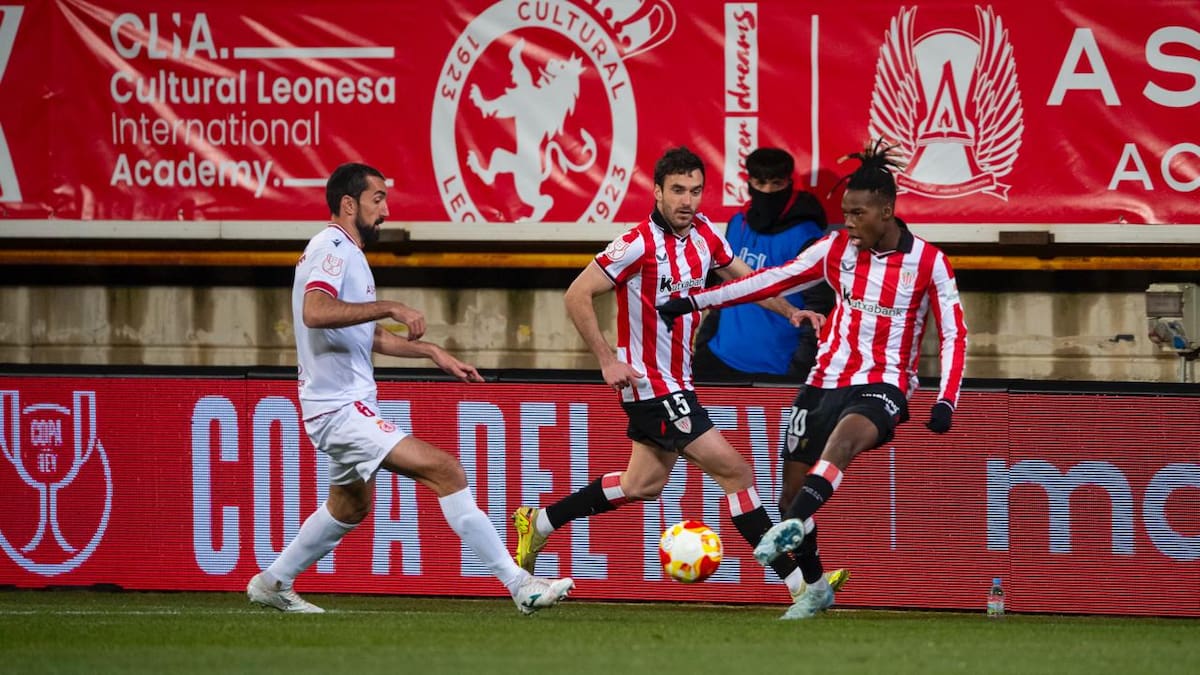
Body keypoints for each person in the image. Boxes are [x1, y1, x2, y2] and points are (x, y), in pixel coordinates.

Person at [510, 147, 842, 617]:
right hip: (649, 384)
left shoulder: (705, 234)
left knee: (642, 483)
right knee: (737, 471)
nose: (687, 200)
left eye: (695, 190)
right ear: (658, 192)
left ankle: (540, 522)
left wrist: (791, 311)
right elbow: (577, 294)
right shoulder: (636, 244)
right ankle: (799, 583)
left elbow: (743, 280)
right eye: (678, 191)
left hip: (678, 382)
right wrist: (607, 359)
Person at [658, 139, 968, 619]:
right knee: (786, 496)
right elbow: (772, 280)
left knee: (842, 443)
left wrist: (946, 399)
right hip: (824, 380)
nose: (848, 221)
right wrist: (698, 300)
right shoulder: (836, 248)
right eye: (845, 212)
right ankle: (817, 586)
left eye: (857, 213)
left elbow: (955, 334)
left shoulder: (928, 262)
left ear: (886, 212)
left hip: (884, 383)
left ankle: (791, 527)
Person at [246, 162, 573, 614]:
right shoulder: (332, 246)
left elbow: (364, 333)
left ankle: (272, 581)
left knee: (349, 505)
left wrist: (433, 352)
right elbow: (316, 311)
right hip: (339, 408)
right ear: (348, 204)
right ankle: (521, 585)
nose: (385, 209)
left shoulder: (346, 253)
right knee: (446, 470)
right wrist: (392, 305)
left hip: (338, 405)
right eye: (377, 199)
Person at [693, 147, 833, 382]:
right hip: (716, 360)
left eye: (776, 184)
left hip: (775, 372)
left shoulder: (808, 237)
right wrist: (705, 342)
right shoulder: (737, 224)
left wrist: (798, 372)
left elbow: (819, 312)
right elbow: (725, 287)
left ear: (789, 183)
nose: (767, 191)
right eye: (760, 183)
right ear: (749, 183)